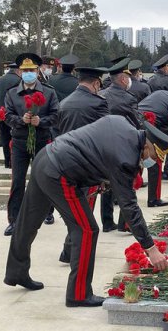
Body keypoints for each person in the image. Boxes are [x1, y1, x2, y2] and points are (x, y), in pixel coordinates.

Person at [4, 115, 168, 307]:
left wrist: (100, 180)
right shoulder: (125, 157)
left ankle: (16, 272)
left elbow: (95, 150)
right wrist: (151, 249)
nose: (150, 161)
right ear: (146, 146)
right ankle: (78, 295)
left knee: (28, 221)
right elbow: (129, 207)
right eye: (152, 156)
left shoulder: (121, 123)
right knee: (86, 230)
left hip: (45, 157)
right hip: (59, 173)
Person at [56, 65, 110, 264]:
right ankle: (71, 252)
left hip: (64, 162)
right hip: (88, 165)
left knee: (75, 210)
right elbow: (104, 138)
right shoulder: (98, 104)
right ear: (96, 83)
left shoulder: (65, 102)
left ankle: (68, 251)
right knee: (84, 212)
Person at [3, 53, 58, 236]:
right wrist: (21, 120)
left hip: (42, 140)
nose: (28, 73)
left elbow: (56, 116)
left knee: (44, 177)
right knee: (18, 181)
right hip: (19, 141)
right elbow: (7, 116)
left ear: (38, 71)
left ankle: (47, 212)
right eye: (25, 70)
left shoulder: (48, 92)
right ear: (19, 72)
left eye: (32, 70)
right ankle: (14, 220)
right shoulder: (12, 93)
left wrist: (40, 121)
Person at [99, 58, 141, 232]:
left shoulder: (101, 95)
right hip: (124, 147)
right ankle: (125, 224)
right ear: (123, 79)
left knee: (106, 183)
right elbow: (137, 124)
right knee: (126, 186)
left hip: (103, 145)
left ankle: (107, 222)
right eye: (128, 76)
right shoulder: (129, 99)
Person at [0, 62, 21, 168]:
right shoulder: (19, 80)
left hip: (2, 114)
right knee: (15, 138)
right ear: (18, 70)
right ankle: (14, 162)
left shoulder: (0, 80)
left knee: (5, 139)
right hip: (15, 115)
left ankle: (7, 162)